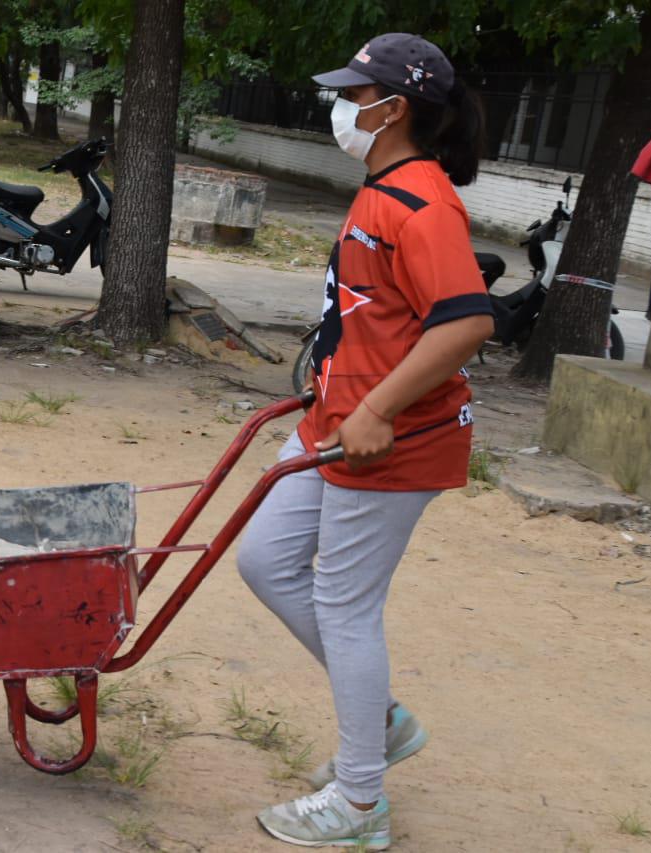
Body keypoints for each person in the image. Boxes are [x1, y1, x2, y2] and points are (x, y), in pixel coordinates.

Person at [236, 33, 493, 850]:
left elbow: (467, 322)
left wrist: (377, 405)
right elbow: (378, 310)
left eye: (357, 94)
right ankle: (379, 720)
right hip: (337, 417)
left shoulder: (421, 201)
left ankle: (357, 804)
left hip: (393, 436)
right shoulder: (381, 189)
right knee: (266, 556)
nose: (342, 107)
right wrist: (338, 373)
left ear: (395, 109)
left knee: (346, 608)